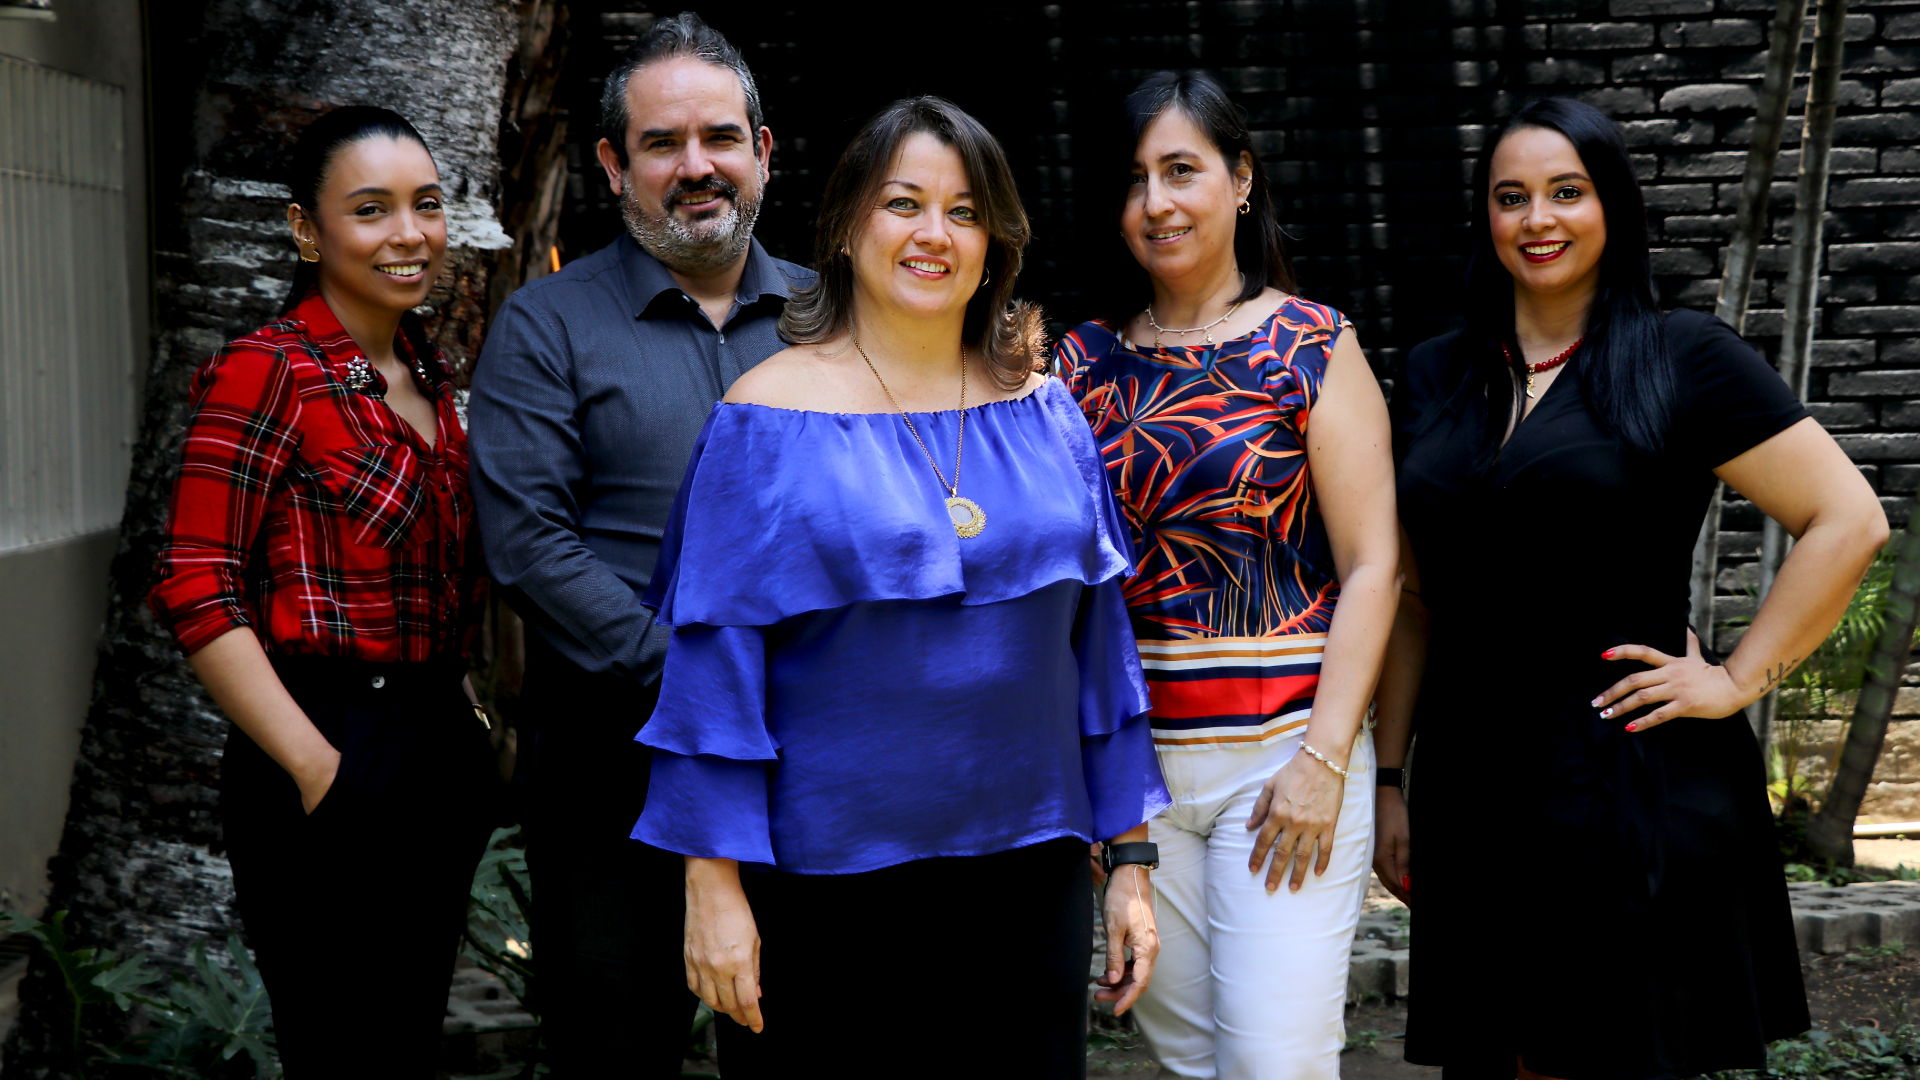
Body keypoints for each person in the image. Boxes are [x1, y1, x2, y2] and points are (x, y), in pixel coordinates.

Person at [630, 95, 1169, 1077]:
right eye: (904, 204)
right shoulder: (762, 420)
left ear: (994, 242)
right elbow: (713, 678)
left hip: (1028, 882)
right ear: (845, 227)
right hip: (824, 891)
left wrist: (1128, 860)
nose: (935, 234)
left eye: (964, 212)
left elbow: (1101, 657)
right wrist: (711, 888)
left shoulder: (1049, 415)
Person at [1383, 96, 1888, 1080]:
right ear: (1486, 217)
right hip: (1475, 781)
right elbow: (1412, 597)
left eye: (1566, 192)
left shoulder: (1681, 357)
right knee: (1491, 1060)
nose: (1538, 219)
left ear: (1611, 204)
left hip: (1622, 773)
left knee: (1605, 1055)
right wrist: (1391, 780)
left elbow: (1848, 519)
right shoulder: (1438, 373)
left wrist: (1737, 679)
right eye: (1511, 197)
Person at [466, 13, 810, 1076]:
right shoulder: (546, 325)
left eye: (720, 137)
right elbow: (529, 546)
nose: (696, 165)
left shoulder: (834, 318)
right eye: (663, 143)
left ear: (763, 150)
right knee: (614, 1051)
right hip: (614, 769)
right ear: (615, 166)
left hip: (808, 760)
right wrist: (705, 678)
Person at [1056, 70, 1400, 1080]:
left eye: (1181, 170)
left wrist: (1325, 760)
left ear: (1241, 180)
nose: (1156, 202)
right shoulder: (1077, 367)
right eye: (1134, 180)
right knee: (1193, 1063)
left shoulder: (1312, 344)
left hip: (1283, 758)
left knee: (1274, 1064)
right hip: (1139, 781)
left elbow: (1375, 564)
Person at [149, 106, 495, 1077]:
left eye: (427, 204)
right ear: (307, 229)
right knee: (340, 1054)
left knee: (405, 1049)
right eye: (371, 209)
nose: (409, 233)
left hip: (432, 744)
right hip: (325, 741)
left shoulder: (427, 374)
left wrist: (464, 719)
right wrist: (317, 769)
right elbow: (196, 581)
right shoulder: (269, 372)